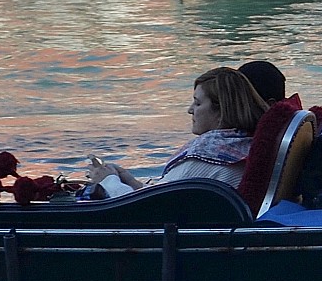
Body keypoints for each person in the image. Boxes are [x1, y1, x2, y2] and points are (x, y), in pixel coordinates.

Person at [89, 67, 269, 198]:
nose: (190, 110)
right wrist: (131, 182)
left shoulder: (208, 157)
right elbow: (165, 195)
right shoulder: (244, 146)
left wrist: (108, 181)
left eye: (198, 103)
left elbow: (148, 207)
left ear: (222, 111)